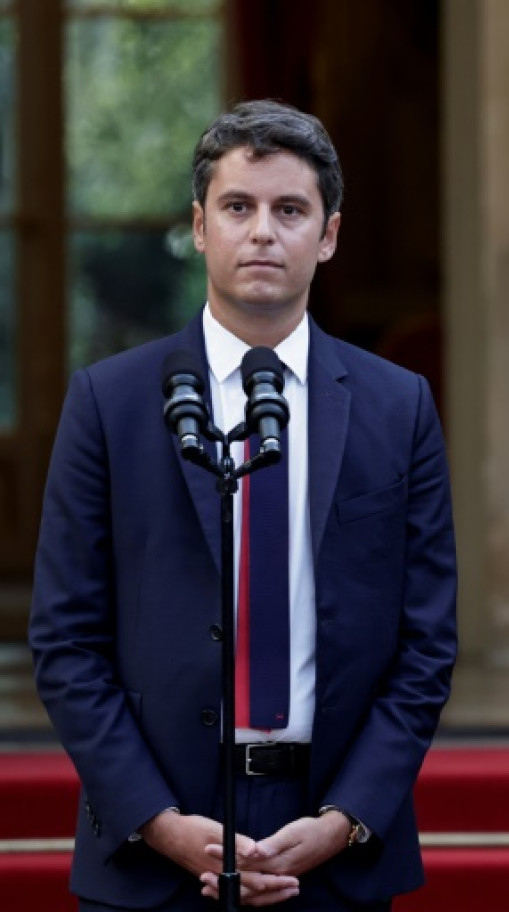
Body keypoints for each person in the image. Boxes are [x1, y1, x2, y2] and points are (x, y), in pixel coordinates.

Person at [29, 100, 459, 910]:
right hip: (153, 842)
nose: (263, 231)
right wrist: (157, 820)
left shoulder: (398, 406)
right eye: (238, 207)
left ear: (328, 235)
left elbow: (426, 642)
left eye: (289, 210)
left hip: (334, 841)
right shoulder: (109, 403)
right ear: (199, 227)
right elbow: (65, 638)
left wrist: (347, 817)